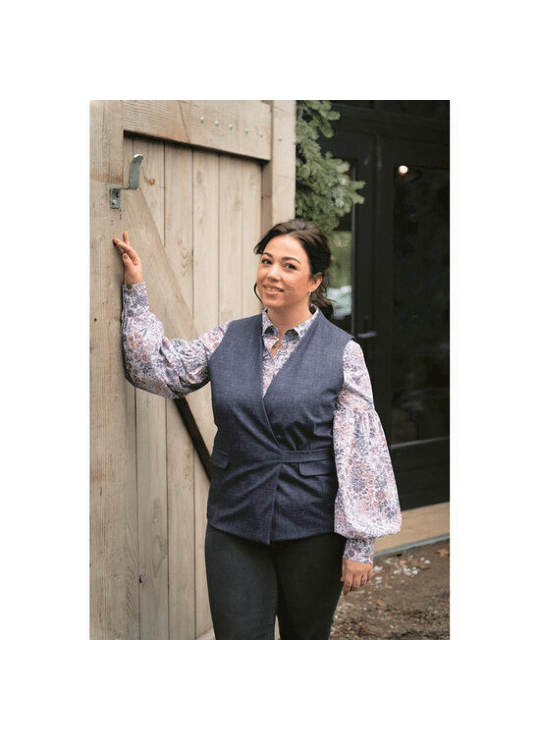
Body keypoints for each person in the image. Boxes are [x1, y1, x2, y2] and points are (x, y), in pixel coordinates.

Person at [114, 219, 401, 640]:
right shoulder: (226, 337)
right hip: (234, 522)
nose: (272, 273)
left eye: (288, 265)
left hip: (312, 529)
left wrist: (360, 544)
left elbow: (362, 454)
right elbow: (156, 370)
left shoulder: (343, 353)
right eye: (267, 261)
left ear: (315, 281)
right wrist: (136, 290)